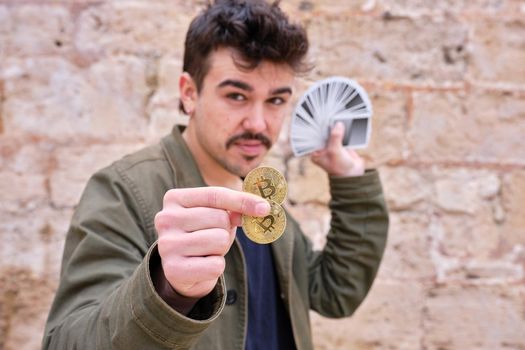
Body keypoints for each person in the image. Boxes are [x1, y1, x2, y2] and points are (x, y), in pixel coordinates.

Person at [43, 0, 389, 349]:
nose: (258, 123)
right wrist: (166, 291)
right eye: (237, 95)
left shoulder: (260, 201)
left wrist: (351, 183)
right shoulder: (122, 191)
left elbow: (334, 293)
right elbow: (65, 342)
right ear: (189, 93)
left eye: (276, 100)